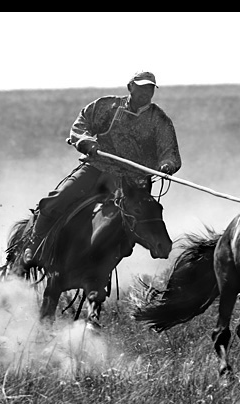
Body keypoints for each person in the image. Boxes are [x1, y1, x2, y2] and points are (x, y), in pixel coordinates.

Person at [19, 70, 182, 271]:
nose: (145, 92)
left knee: (141, 215)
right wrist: (85, 142)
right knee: (58, 199)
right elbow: (81, 125)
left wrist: (167, 165)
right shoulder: (107, 106)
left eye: (149, 88)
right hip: (97, 168)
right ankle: (34, 246)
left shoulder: (159, 119)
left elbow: (169, 152)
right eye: (141, 87)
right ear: (130, 87)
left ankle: (117, 260)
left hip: (133, 180)